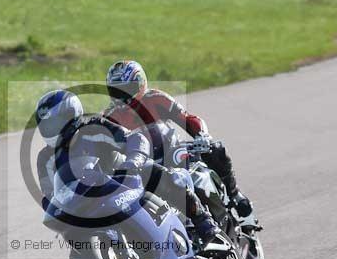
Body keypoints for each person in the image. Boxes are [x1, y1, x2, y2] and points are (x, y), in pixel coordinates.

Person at [34, 89, 220, 244]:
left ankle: (202, 219)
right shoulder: (45, 159)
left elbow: (134, 138)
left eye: (55, 123)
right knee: (72, 239)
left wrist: (134, 161)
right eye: (47, 125)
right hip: (86, 197)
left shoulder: (93, 127)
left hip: (122, 175)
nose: (52, 129)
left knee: (161, 175)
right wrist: (53, 205)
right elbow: (49, 191)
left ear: (71, 115)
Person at [102, 60, 259, 229]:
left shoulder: (156, 99)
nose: (122, 96)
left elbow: (187, 118)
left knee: (215, 150)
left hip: (172, 150)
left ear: (141, 84)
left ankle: (236, 198)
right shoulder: (110, 116)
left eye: (127, 89)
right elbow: (102, 146)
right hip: (143, 163)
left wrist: (201, 135)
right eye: (116, 91)